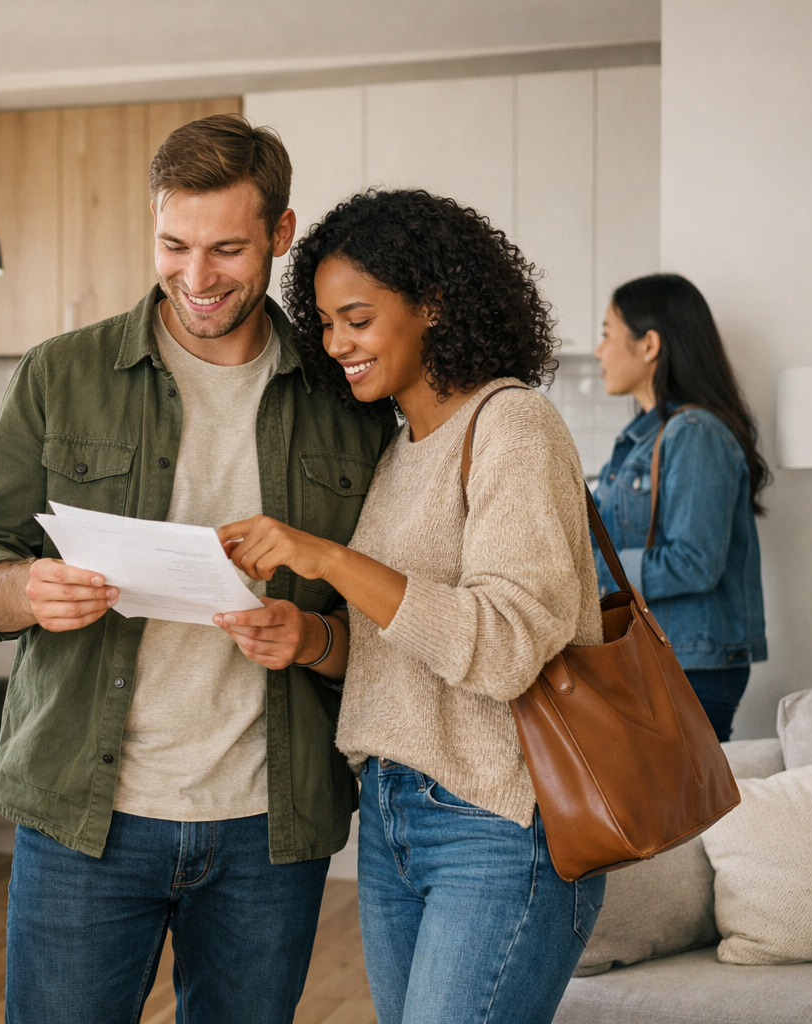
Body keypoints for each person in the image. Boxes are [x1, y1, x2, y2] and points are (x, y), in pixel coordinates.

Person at [0, 114, 390, 1021]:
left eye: (226, 249)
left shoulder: (346, 398)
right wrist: (24, 590)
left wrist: (312, 635)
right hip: (83, 815)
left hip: (272, 823)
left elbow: (386, 621)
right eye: (173, 244)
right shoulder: (60, 375)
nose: (196, 278)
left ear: (280, 233)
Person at [216, 189, 606, 1024]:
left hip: (499, 821)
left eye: (357, 318)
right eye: (324, 323)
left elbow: (502, 649)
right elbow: (408, 643)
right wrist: (314, 637)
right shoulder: (400, 448)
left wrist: (328, 558)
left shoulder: (514, 426)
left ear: (433, 304)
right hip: (393, 818)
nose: (337, 344)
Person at [591, 274, 768, 740]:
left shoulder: (695, 434)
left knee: (679, 812)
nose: (598, 351)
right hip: (665, 656)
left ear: (649, 344)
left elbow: (694, 563)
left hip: (691, 663)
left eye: (607, 333)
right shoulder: (641, 439)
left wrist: (592, 574)